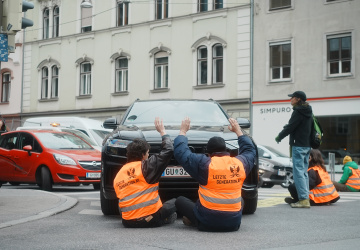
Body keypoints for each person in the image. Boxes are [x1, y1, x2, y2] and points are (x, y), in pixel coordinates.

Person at [173, 117, 256, 232]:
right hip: (233, 224)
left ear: (209, 153)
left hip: (206, 223)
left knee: (180, 201)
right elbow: (250, 150)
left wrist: (183, 131)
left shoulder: (204, 164)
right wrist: (238, 131)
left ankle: (193, 220)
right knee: (240, 199)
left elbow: (181, 152)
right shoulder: (239, 164)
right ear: (226, 149)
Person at [113, 117, 176, 228]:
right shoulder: (146, 166)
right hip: (149, 219)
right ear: (143, 155)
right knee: (177, 202)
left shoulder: (119, 174)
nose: (148, 156)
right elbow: (168, 150)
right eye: (147, 153)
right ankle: (165, 219)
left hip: (127, 222)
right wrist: (163, 132)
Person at [275, 91, 313, 208]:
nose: (290, 100)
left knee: (298, 173)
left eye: (292, 98)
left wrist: (279, 136)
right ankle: (305, 197)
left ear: (298, 99)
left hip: (299, 146)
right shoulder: (309, 111)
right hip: (307, 146)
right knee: (304, 173)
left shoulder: (298, 112)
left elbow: (291, 127)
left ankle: (303, 199)